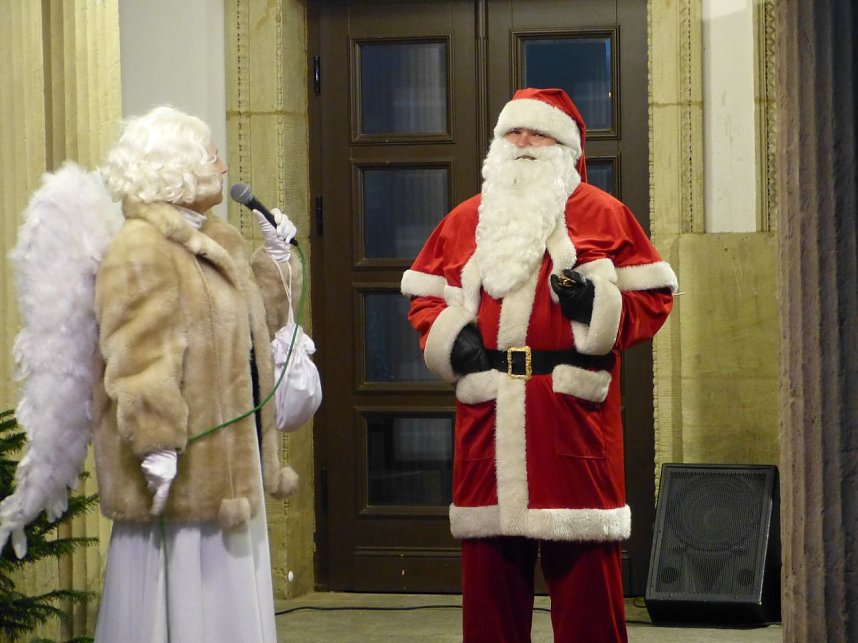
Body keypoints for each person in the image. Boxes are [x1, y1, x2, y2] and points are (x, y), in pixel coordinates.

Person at [401, 88, 678, 642]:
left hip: (571, 415)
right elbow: (425, 298)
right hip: (488, 417)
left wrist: (596, 306)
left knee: (587, 587)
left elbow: (655, 297)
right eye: (514, 132)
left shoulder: (605, 214)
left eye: (539, 133)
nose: (524, 143)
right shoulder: (465, 221)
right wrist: (450, 337)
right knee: (491, 589)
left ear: (566, 148)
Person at [90, 106, 301, 642]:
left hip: (231, 466)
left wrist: (277, 259)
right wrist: (156, 441)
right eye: (211, 157)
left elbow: (255, 330)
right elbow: (137, 355)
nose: (223, 167)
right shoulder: (140, 246)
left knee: (229, 606)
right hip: (179, 470)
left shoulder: (219, 239)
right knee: (182, 603)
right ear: (176, 167)